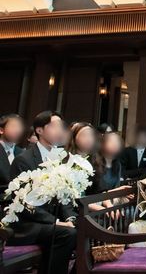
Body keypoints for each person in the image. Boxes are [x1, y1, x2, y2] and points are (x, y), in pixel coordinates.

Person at [9, 111, 77, 274]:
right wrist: (55, 221)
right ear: (39, 130)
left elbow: (63, 196)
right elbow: (23, 202)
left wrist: (70, 218)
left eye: (61, 126)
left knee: (83, 226)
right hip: (28, 223)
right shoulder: (24, 160)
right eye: (54, 126)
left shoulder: (61, 158)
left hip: (51, 220)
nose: (59, 130)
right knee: (66, 233)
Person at [87, 130, 124, 194]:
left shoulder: (117, 164)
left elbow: (116, 188)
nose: (115, 144)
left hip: (111, 199)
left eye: (117, 141)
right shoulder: (92, 162)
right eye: (111, 141)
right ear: (102, 143)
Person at [0, 113, 25, 191]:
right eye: (13, 126)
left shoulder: (22, 153)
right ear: (1, 130)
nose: (18, 130)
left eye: (19, 127)